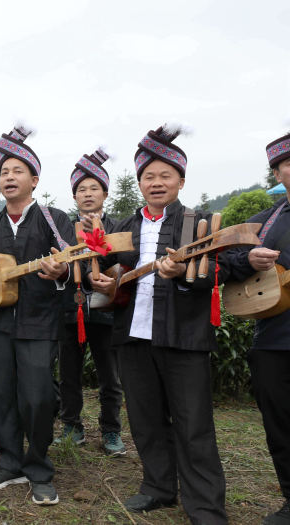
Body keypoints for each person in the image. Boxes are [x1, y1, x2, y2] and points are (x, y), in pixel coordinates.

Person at [89, 125, 228, 524]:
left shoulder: (198, 223)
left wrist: (185, 273)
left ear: (181, 180)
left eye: (165, 175)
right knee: (146, 420)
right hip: (133, 337)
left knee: (194, 425)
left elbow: (222, 267)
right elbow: (103, 278)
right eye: (148, 176)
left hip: (184, 338)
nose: (156, 182)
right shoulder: (122, 229)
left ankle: (204, 506)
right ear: (139, 183)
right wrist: (99, 280)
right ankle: (158, 487)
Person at [0, 125, 73, 505]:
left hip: (40, 323)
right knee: (0, 393)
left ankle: (38, 468)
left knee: (37, 398)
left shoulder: (54, 220)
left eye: (16, 172)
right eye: (4, 172)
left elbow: (75, 262)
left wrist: (62, 272)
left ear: (34, 180)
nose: (8, 178)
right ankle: (9, 462)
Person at [224, 131, 290, 525]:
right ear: (279, 173)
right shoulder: (266, 222)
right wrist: (249, 257)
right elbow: (225, 258)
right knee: (280, 423)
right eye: (288, 164)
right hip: (274, 339)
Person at [55, 149, 125, 457]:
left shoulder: (119, 226)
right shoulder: (64, 229)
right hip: (72, 308)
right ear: (74, 196)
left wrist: (101, 240)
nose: (87, 193)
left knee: (110, 375)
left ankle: (111, 430)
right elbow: (60, 264)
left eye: (93, 188)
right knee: (69, 374)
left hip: (109, 309)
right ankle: (72, 425)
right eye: (81, 189)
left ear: (105, 193)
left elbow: (125, 261)